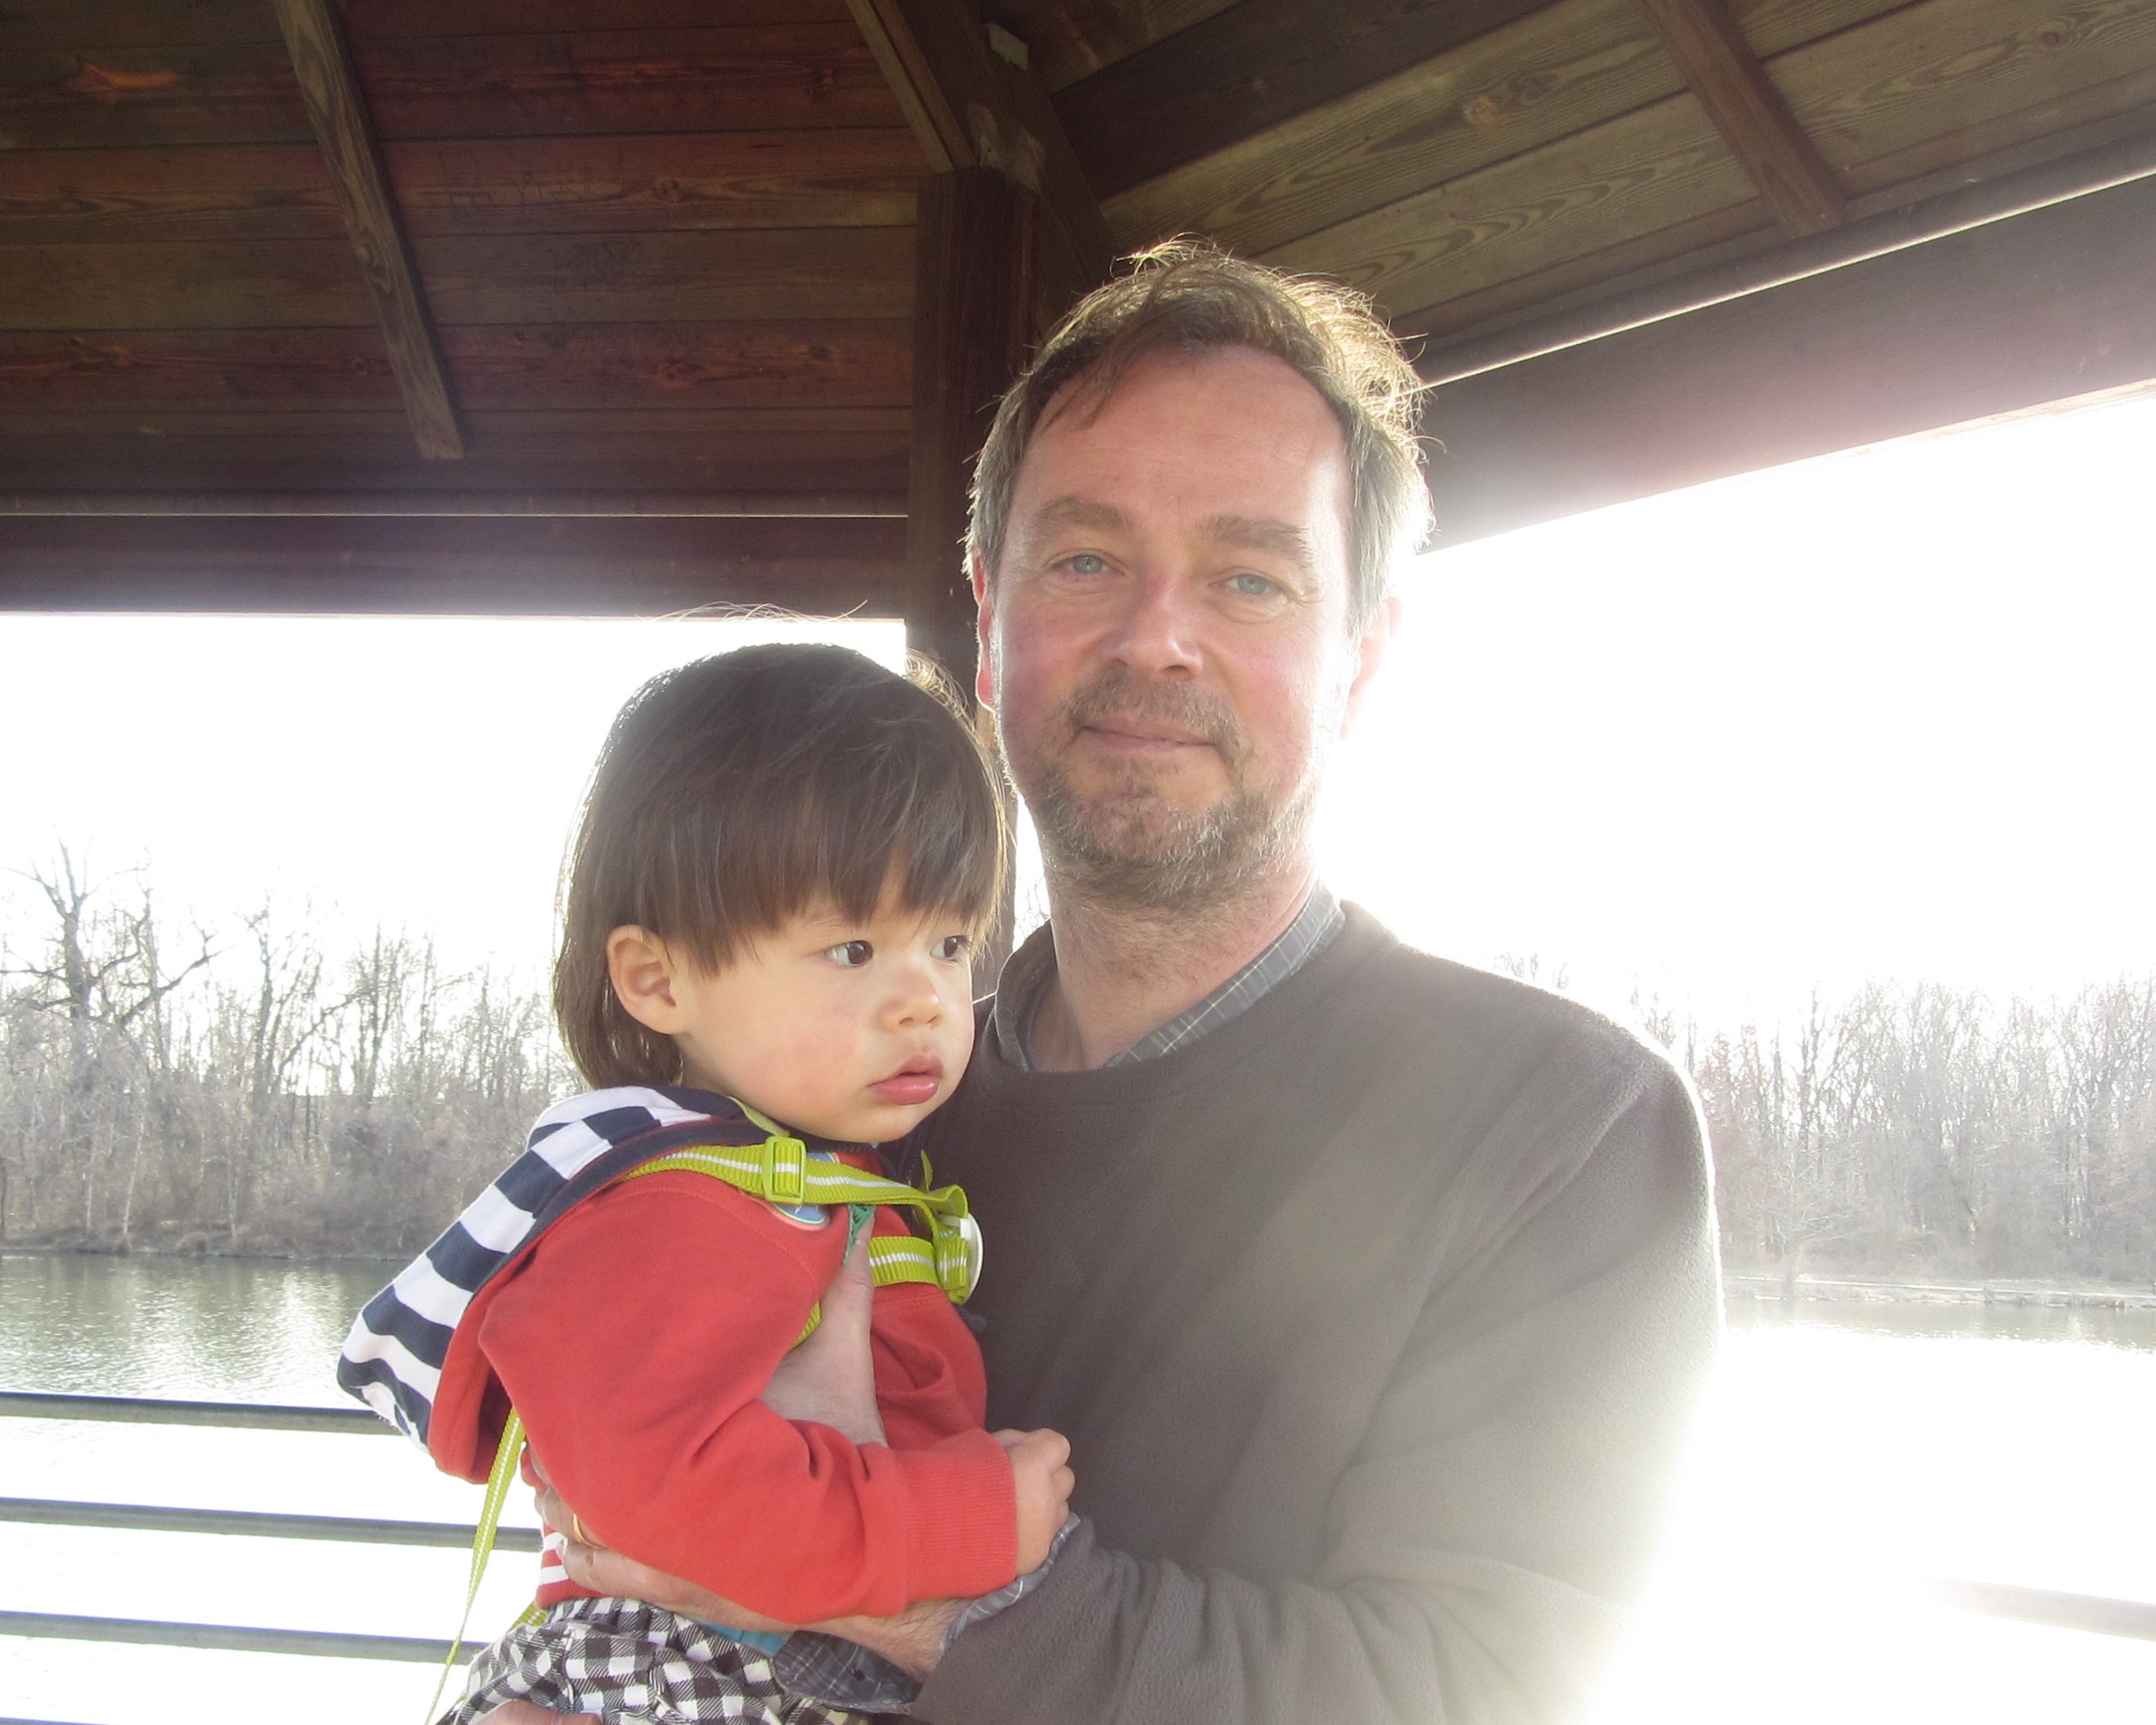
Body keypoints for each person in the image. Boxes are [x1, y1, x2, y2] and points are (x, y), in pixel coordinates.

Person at [502, 242, 1723, 1725]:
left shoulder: (1560, 1125)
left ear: (1361, 656)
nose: (1156, 635)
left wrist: (897, 1575)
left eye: (1250, 575)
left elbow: (1472, 1692)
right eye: (1084, 558)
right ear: (986, 619)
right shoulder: (835, 1092)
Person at [336, 645, 1076, 1723]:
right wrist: (965, 1517)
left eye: (951, 939)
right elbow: (664, 1494)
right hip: (685, 1667)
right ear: (657, 977)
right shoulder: (673, 1209)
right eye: (851, 948)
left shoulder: (829, 1175)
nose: (924, 997)